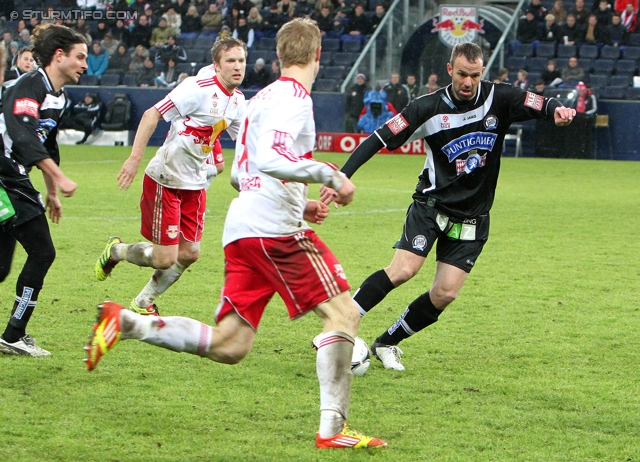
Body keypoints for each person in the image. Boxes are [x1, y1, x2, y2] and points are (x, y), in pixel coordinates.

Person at [85, 18, 387, 450]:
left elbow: (241, 174)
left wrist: (302, 201)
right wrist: (332, 176)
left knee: (231, 344)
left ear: (280, 56)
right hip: (275, 231)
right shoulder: (295, 98)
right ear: (317, 56)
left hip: (243, 228)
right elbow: (268, 157)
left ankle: (129, 323)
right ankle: (332, 431)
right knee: (345, 315)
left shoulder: (259, 99)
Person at [319, 42, 576, 371]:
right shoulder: (427, 107)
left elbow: (541, 103)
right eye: (462, 74)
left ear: (482, 72)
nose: (468, 82)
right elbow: (379, 138)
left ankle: (387, 342)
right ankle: (339, 326)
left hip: (473, 217)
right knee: (403, 270)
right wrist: (342, 175)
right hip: (431, 205)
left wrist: (557, 110)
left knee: (445, 293)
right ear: (449, 70)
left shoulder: (501, 97)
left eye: (475, 75)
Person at [93, 36, 247, 316]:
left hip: (196, 184)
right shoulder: (197, 88)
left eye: (241, 61)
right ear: (217, 64)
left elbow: (248, 143)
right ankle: (116, 251)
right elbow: (151, 114)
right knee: (164, 258)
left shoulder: (237, 101)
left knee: (190, 254)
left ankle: (142, 303)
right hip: (165, 179)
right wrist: (134, 159)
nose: (238, 67)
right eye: (231, 61)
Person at [0, 24, 86, 356]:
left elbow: (45, 145)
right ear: (59, 55)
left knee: (1, 268)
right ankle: (13, 335)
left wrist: (51, 190)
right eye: (79, 57)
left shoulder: (57, 97)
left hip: (11, 176)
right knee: (42, 252)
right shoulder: (28, 86)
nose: (84, 65)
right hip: (5, 175)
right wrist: (60, 178)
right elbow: (21, 136)